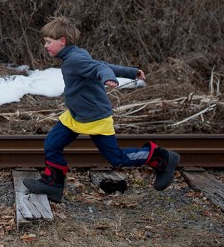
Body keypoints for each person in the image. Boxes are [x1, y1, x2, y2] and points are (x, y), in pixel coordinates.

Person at [23, 16, 180, 202]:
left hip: (94, 117)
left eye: (49, 42)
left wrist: (108, 78)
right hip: (76, 115)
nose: (46, 46)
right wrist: (130, 72)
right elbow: (102, 65)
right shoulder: (74, 55)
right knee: (52, 143)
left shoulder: (74, 59)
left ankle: (160, 158)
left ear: (62, 41)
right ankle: (52, 185)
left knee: (116, 159)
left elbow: (99, 68)